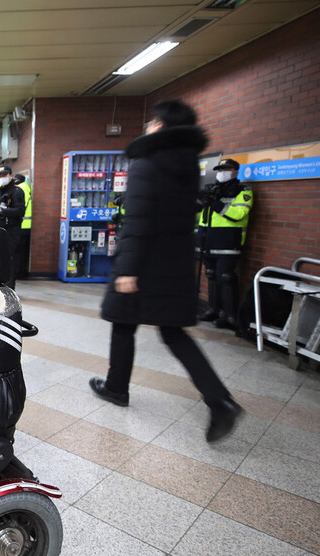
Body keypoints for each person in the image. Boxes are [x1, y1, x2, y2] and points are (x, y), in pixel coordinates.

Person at [89, 100, 243, 443]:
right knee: (173, 333)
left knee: (123, 323)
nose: (147, 127)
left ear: (160, 126)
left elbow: (139, 217)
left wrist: (127, 269)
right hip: (174, 262)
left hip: (143, 262)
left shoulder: (147, 162)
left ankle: (116, 387)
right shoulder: (188, 164)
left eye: (152, 122)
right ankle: (220, 401)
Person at [196, 158, 253, 329]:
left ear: (235, 171)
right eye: (220, 169)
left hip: (228, 241)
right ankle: (214, 309)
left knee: (225, 277)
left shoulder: (243, 191)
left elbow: (238, 213)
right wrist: (201, 199)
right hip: (208, 239)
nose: (222, 173)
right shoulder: (213, 189)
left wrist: (215, 203)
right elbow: (201, 216)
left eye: (226, 169)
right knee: (211, 274)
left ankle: (231, 315)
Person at [14, 173, 33, 279]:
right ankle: (21, 272)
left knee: (18, 252)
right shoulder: (26, 189)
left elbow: (21, 209)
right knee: (22, 251)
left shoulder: (21, 191)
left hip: (22, 225)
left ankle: (19, 273)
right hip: (26, 225)